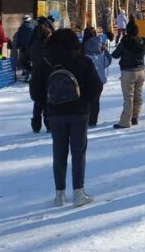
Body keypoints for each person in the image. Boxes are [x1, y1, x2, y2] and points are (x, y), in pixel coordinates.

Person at [30, 28, 101, 207]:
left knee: (59, 153)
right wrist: (87, 102)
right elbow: (96, 86)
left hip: (55, 113)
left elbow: (35, 92)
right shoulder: (83, 60)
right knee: (78, 152)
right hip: (79, 112)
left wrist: (47, 104)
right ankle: (78, 192)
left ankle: (59, 194)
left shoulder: (44, 62)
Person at [112, 21, 145, 129]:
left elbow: (115, 55)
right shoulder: (143, 41)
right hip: (141, 71)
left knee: (128, 97)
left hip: (128, 72)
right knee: (138, 96)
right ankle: (134, 117)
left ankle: (125, 121)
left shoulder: (124, 42)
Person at [82, 27, 109, 127]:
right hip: (99, 78)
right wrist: (105, 51)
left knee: (85, 100)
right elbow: (107, 62)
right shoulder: (100, 47)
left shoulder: (82, 49)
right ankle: (93, 121)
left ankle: (86, 119)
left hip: (86, 79)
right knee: (96, 100)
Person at [28, 25, 52, 133]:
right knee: (48, 99)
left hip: (36, 75)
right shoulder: (51, 47)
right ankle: (48, 123)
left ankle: (36, 124)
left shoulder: (33, 46)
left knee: (37, 99)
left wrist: (31, 69)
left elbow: (23, 60)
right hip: (49, 75)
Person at [15, 15, 35, 80]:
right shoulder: (33, 28)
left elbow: (18, 37)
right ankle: (31, 74)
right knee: (31, 61)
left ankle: (26, 73)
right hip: (31, 47)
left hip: (23, 48)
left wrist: (18, 45)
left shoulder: (21, 28)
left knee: (24, 61)